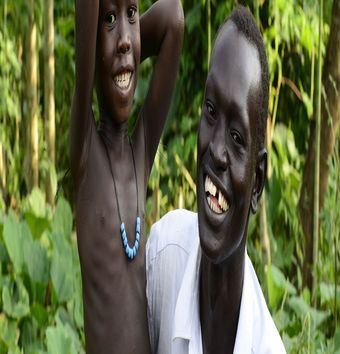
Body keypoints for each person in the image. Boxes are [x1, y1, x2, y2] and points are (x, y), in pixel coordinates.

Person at [146, 6, 286, 354]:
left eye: (238, 138)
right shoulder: (164, 257)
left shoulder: (265, 348)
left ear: (256, 184)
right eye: (210, 112)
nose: (217, 151)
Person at [70, 0, 183, 352]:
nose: (123, 37)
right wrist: (113, 49)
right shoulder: (85, 155)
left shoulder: (140, 154)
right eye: (109, 20)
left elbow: (173, 20)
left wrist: (127, 44)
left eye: (131, 14)